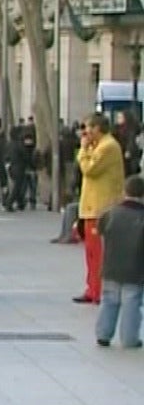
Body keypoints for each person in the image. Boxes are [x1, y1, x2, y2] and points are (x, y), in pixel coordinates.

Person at [75, 113, 125, 304]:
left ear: (98, 128)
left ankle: (98, 290)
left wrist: (82, 150)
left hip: (101, 207)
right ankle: (91, 287)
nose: (85, 132)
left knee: (98, 252)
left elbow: (89, 169)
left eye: (88, 127)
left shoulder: (108, 147)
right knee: (90, 251)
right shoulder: (97, 146)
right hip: (91, 206)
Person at [95, 175, 144, 348]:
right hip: (135, 269)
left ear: (125, 192)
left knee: (109, 300)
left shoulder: (110, 213)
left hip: (110, 266)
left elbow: (99, 232)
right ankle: (129, 339)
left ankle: (103, 334)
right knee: (131, 303)